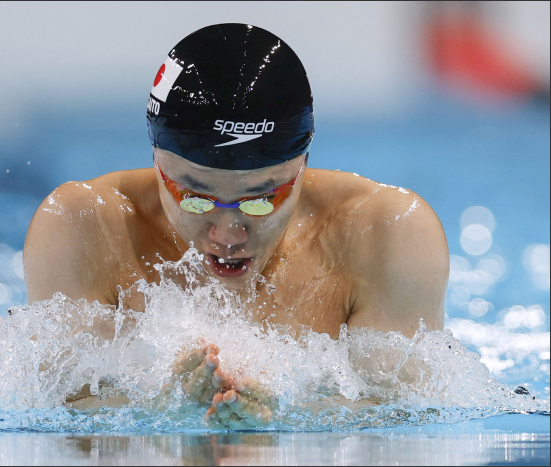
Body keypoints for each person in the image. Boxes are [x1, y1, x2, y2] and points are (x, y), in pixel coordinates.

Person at [23, 24, 449, 429]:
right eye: (194, 197)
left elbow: (409, 423)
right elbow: (58, 420)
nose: (228, 234)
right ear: (156, 159)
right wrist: (162, 408)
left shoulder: (386, 233)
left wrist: (282, 418)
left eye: (263, 199)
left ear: (303, 163)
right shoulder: (85, 226)